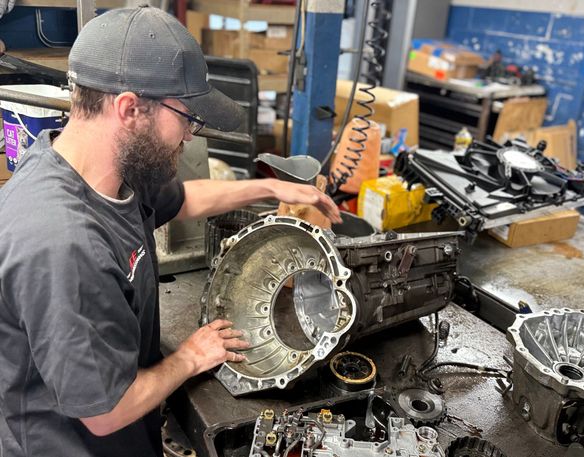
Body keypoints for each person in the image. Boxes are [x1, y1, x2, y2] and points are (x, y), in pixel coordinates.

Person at [0, 6, 341, 457]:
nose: (189, 136)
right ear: (129, 108)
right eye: (187, 118)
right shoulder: (64, 245)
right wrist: (190, 356)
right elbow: (107, 410)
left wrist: (270, 185)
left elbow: (185, 200)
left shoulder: (103, 171)